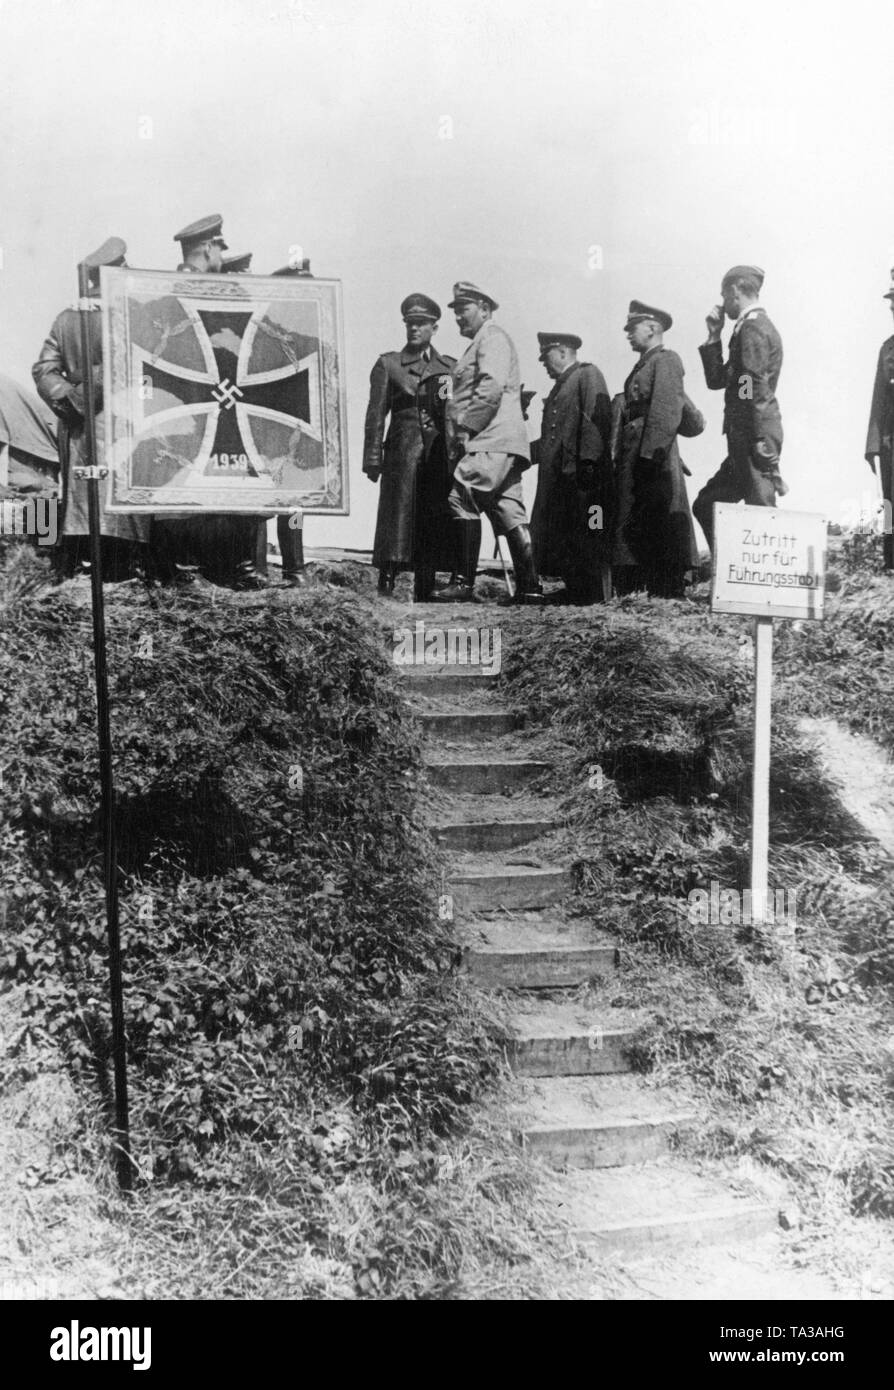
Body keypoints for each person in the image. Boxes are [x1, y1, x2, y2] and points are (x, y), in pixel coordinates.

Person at [151, 215, 266, 589]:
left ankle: (205, 567)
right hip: (198, 406)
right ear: (206, 247)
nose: (221, 255)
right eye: (219, 246)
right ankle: (209, 568)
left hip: (197, 407)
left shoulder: (167, 290)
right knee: (200, 490)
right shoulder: (203, 291)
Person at [32, 236, 151, 582]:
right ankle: (116, 571)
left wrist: (69, 398)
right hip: (117, 426)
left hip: (76, 428)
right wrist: (88, 394)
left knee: (81, 502)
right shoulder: (130, 318)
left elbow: (43, 370)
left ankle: (78, 570)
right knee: (114, 508)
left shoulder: (66, 318)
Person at [438, 281, 541, 604]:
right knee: (508, 509)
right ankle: (530, 588)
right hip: (503, 442)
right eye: (455, 311)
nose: (457, 317)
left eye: (463, 310)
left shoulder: (492, 338)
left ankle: (463, 583)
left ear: (484, 309)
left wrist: (467, 428)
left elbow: (491, 387)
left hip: (490, 439)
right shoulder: (486, 340)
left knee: (460, 495)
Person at [362, 293, 456, 598]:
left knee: (431, 517)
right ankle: (386, 583)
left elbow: (452, 413)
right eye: (410, 324)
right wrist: (373, 458)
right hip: (401, 452)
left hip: (436, 454)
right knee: (395, 519)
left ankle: (426, 588)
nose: (414, 329)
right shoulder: (389, 364)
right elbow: (376, 414)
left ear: (434, 327)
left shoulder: (447, 368)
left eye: (421, 324)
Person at [692, 264, 785, 555]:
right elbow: (718, 380)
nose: (722, 301)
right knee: (708, 504)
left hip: (752, 436)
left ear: (734, 290)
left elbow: (751, 383)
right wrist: (712, 336)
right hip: (745, 436)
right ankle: (735, 572)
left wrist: (757, 439)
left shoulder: (753, 326)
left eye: (723, 293)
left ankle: (768, 583)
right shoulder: (745, 327)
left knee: (762, 512)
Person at [612, 301, 699, 599]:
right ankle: (643, 584)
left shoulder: (666, 360)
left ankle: (667, 586)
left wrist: (652, 455)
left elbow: (664, 412)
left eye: (632, 328)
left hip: (652, 456)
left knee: (658, 519)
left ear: (651, 328)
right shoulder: (646, 364)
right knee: (640, 519)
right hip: (636, 451)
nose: (627, 335)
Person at [529, 332, 613, 604]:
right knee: (565, 535)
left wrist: (589, 463)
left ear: (563, 352)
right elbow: (551, 438)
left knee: (590, 532)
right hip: (560, 477)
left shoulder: (587, 374)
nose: (543, 362)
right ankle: (576, 590)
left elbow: (596, 419)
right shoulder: (560, 387)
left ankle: (595, 594)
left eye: (547, 356)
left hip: (583, 478)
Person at [864, 272, 894, 571]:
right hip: (890, 442)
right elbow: (879, 397)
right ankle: (891, 566)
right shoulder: (887, 348)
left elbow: (748, 383)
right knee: (891, 504)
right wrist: (873, 445)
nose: (892, 309)